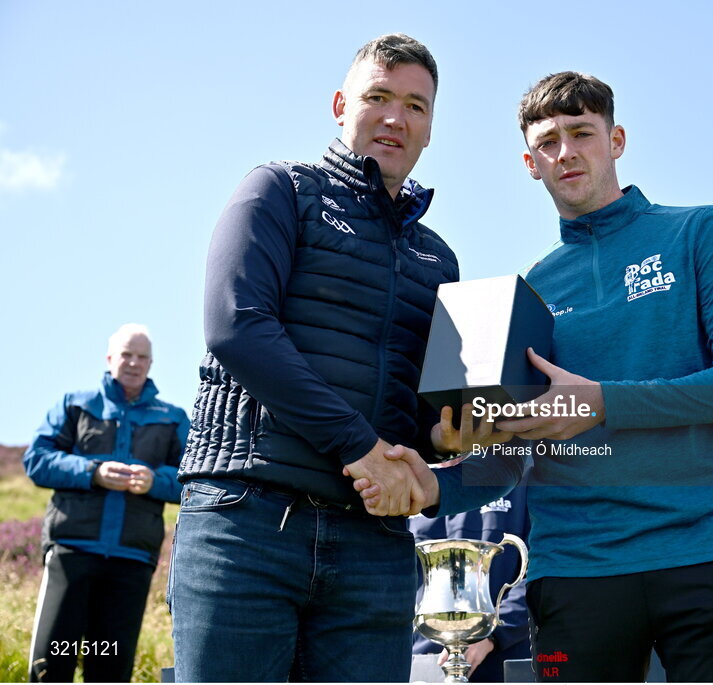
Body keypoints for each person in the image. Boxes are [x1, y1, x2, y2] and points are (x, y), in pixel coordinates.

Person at [360, 71, 713, 682]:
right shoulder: (532, 290)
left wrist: (602, 402)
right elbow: (510, 457)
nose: (566, 152)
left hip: (705, 550)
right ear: (530, 163)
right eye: (548, 141)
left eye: (582, 132)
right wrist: (435, 485)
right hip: (574, 567)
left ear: (617, 140)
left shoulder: (697, 232)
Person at [168, 33, 508, 683]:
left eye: (415, 105)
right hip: (247, 522)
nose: (394, 117)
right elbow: (236, 327)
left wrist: (453, 436)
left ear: (431, 128)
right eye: (377, 96)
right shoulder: (278, 190)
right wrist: (360, 444)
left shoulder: (441, 259)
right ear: (339, 104)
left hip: (374, 549)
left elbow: (427, 414)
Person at [23, 324, 189, 682]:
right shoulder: (75, 404)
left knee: (110, 669)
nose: (134, 363)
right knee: (52, 664)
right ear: (109, 359)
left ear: (152, 363)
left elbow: (193, 480)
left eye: (142, 356)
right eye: (126, 354)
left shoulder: (172, 417)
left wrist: (155, 481)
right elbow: (36, 460)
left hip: (132, 561)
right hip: (72, 552)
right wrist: (91, 472)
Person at [410, 464, 532, 682]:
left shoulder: (518, 476)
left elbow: (539, 568)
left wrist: (493, 634)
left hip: (505, 655)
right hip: (424, 658)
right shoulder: (410, 478)